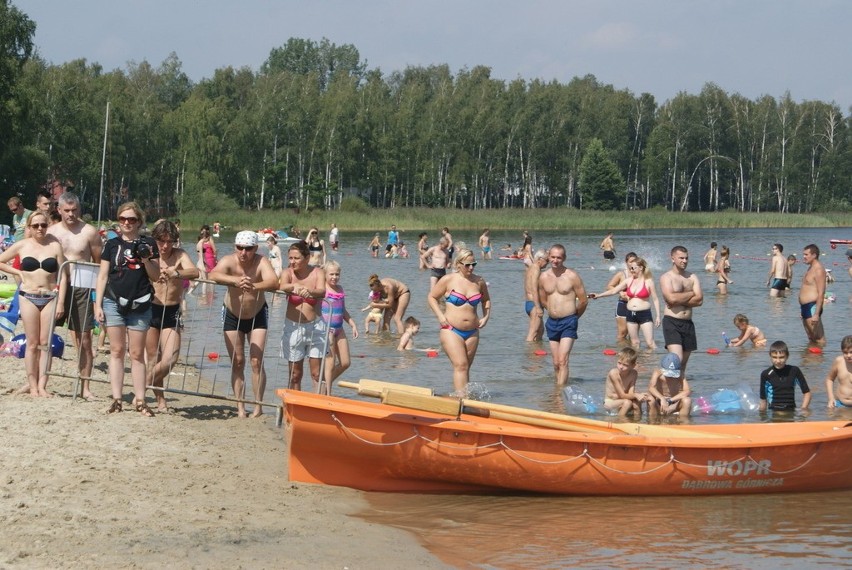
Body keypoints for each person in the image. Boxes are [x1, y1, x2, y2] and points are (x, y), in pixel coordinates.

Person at [94, 202, 161, 416]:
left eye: (131, 219)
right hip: (113, 301)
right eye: (122, 219)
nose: (126, 223)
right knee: (116, 350)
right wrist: (97, 305)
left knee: (136, 353)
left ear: (139, 222)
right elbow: (103, 275)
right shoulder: (111, 245)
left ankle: (140, 399)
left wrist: (146, 259)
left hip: (140, 303)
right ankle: (117, 399)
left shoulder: (149, 243)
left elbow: (156, 275)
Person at [209, 231, 279, 416]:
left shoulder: (261, 261)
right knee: (237, 362)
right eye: (240, 248)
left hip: (257, 314)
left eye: (248, 249)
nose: (243, 253)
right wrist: (235, 280)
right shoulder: (229, 260)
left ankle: (258, 405)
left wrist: (255, 286)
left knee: (256, 361)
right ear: (235, 247)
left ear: (255, 248)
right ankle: (240, 406)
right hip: (232, 314)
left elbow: (273, 281)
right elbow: (212, 274)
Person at [0, 211, 67, 396]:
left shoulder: (54, 245)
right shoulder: (22, 245)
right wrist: (19, 273)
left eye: (43, 225)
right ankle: (32, 385)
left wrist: (61, 301)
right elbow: (1, 260)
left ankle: (42, 385)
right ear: (29, 227)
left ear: (47, 226)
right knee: (32, 343)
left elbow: (64, 274)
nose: (40, 229)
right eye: (35, 225)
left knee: (46, 343)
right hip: (27, 295)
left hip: (49, 296)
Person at [48, 192, 102, 400]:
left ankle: (85, 387)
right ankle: (39, 382)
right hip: (56, 285)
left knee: (85, 339)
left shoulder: (89, 232)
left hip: (82, 286)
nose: (71, 214)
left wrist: (98, 296)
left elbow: (99, 263)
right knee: (45, 336)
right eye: (67, 210)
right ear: (59, 210)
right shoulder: (51, 232)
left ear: (79, 209)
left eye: (74, 210)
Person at [145, 220, 199, 412]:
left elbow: (195, 271)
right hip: (151, 308)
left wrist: (176, 272)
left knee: (170, 358)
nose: (165, 246)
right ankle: (161, 401)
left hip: (172, 310)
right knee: (153, 357)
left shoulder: (180, 254)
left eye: (170, 241)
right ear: (155, 239)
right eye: (162, 241)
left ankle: (144, 383)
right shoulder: (149, 254)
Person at [427, 249, 491, 394]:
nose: (471, 267)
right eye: (468, 265)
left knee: (466, 366)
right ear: (458, 264)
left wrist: (486, 316)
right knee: (460, 365)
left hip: (473, 331)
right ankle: (460, 401)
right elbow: (431, 297)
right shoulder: (448, 280)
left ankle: (465, 399)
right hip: (451, 329)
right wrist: (440, 317)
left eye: (473, 264)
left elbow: (486, 300)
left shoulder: (479, 281)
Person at [278, 240, 327, 392]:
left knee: (317, 373)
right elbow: (282, 286)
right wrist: (294, 287)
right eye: (290, 258)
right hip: (293, 327)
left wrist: (309, 291)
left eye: (296, 258)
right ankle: (294, 408)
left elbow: (322, 291)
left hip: (316, 326)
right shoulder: (287, 273)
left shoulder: (318, 272)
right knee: (295, 374)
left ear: (307, 258)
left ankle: (320, 408)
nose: (292, 262)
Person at [539, 244, 588, 385]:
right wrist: (552, 310)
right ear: (549, 257)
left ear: (564, 258)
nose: (555, 260)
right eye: (553, 257)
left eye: (559, 258)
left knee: (563, 360)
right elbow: (543, 298)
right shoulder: (543, 277)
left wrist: (574, 317)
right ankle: (559, 387)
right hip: (552, 322)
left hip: (569, 321)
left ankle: (560, 394)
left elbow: (583, 301)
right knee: (555, 363)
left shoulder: (572, 276)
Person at [589, 257, 660, 350]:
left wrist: (658, 316)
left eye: (633, 268)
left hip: (644, 314)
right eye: (630, 268)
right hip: (630, 314)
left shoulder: (648, 281)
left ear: (641, 268)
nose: (631, 270)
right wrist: (598, 295)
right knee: (635, 343)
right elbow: (613, 291)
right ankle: (637, 363)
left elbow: (655, 299)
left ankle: (654, 363)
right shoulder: (628, 281)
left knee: (650, 343)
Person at [659, 245, 702, 380]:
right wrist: (690, 293)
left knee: (683, 365)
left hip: (688, 323)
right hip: (672, 321)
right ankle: (662, 387)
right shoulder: (666, 277)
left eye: (686, 258)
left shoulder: (692, 277)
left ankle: (680, 394)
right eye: (681, 258)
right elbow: (670, 298)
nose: (684, 261)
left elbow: (699, 300)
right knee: (675, 360)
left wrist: (678, 299)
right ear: (673, 258)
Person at [320, 260, 358, 394]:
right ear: (324, 274)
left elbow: (343, 310)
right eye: (331, 274)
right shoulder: (322, 289)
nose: (334, 277)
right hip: (327, 330)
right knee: (330, 362)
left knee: (346, 362)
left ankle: (324, 382)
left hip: (339, 329)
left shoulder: (340, 288)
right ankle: (328, 394)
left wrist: (352, 324)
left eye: (337, 274)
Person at [759, 340, 811, 412]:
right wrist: (762, 417)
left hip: (791, 412)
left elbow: (807, 392)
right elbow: (763, 399)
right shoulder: (766, 374)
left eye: (781, 357)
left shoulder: (794, 371)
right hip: (774, 413)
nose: (778, 361)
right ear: (770, 356)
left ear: (787, 356)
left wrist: (804, 409)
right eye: (774, 357)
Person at [602, 252, 639, 343]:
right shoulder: (621, 274)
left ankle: (635, 354)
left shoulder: (641, 274)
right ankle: (621, 353)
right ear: (626, 262)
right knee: (622, 333)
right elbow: (609, 286)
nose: (632, 263)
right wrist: (620, 292)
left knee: (633, 334)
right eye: (630, 261)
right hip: (623, 305)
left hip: (637, 306)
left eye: (635, 261)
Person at [603, 347, 648, 416]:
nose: (621, 367)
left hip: (624, 399)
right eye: (619, 363)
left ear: (633, 365)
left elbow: (630, 393)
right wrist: (636, 395)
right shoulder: (613, 373)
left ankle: (637, 422)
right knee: (627, 403)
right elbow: (622, 395)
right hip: (610, 402)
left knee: (637, 403)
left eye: (625, 365)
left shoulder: (634, 373)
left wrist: (641, 396)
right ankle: (619, 421)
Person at [648, 353, 692, 417]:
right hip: (659, 401)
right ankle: (653, 422)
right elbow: (651, 388)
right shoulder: (657, 372)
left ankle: (683, 422)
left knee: (687, 400)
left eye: (673, 374)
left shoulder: (681, 374)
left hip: (673, 401)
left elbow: (687, 391)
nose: (671, 377)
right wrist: (662, 398)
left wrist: (670, 401)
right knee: (650, 399)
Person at [799, 244, 826, 346]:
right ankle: (811, 360)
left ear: (814, 255)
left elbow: (821, 293)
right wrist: (802, 309)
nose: (804, 257)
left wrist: (816, 314)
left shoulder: (818, 269)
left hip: (812, 307)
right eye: (803, 254)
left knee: (819, 339)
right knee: (811, 338)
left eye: (806, 254)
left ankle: (821, 360)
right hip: (805, 307)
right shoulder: (810, 268)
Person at [524, 249, 548, 342]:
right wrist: (538, 307)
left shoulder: (530, 267)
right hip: (534, 304)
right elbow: (534, 288)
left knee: (540, 330)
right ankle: (528, 352)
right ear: (540, 259)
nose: (547, 264)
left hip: (530, 303)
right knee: (533, 332)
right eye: (547, 261)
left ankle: (536, 351)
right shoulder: (536, 268)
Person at [826, 335, 852, 409]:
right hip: (840, 403)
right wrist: (831, 398)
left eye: (851, 352)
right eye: (845, 352)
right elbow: (829, 379)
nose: (849, 355)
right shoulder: (839, 361)